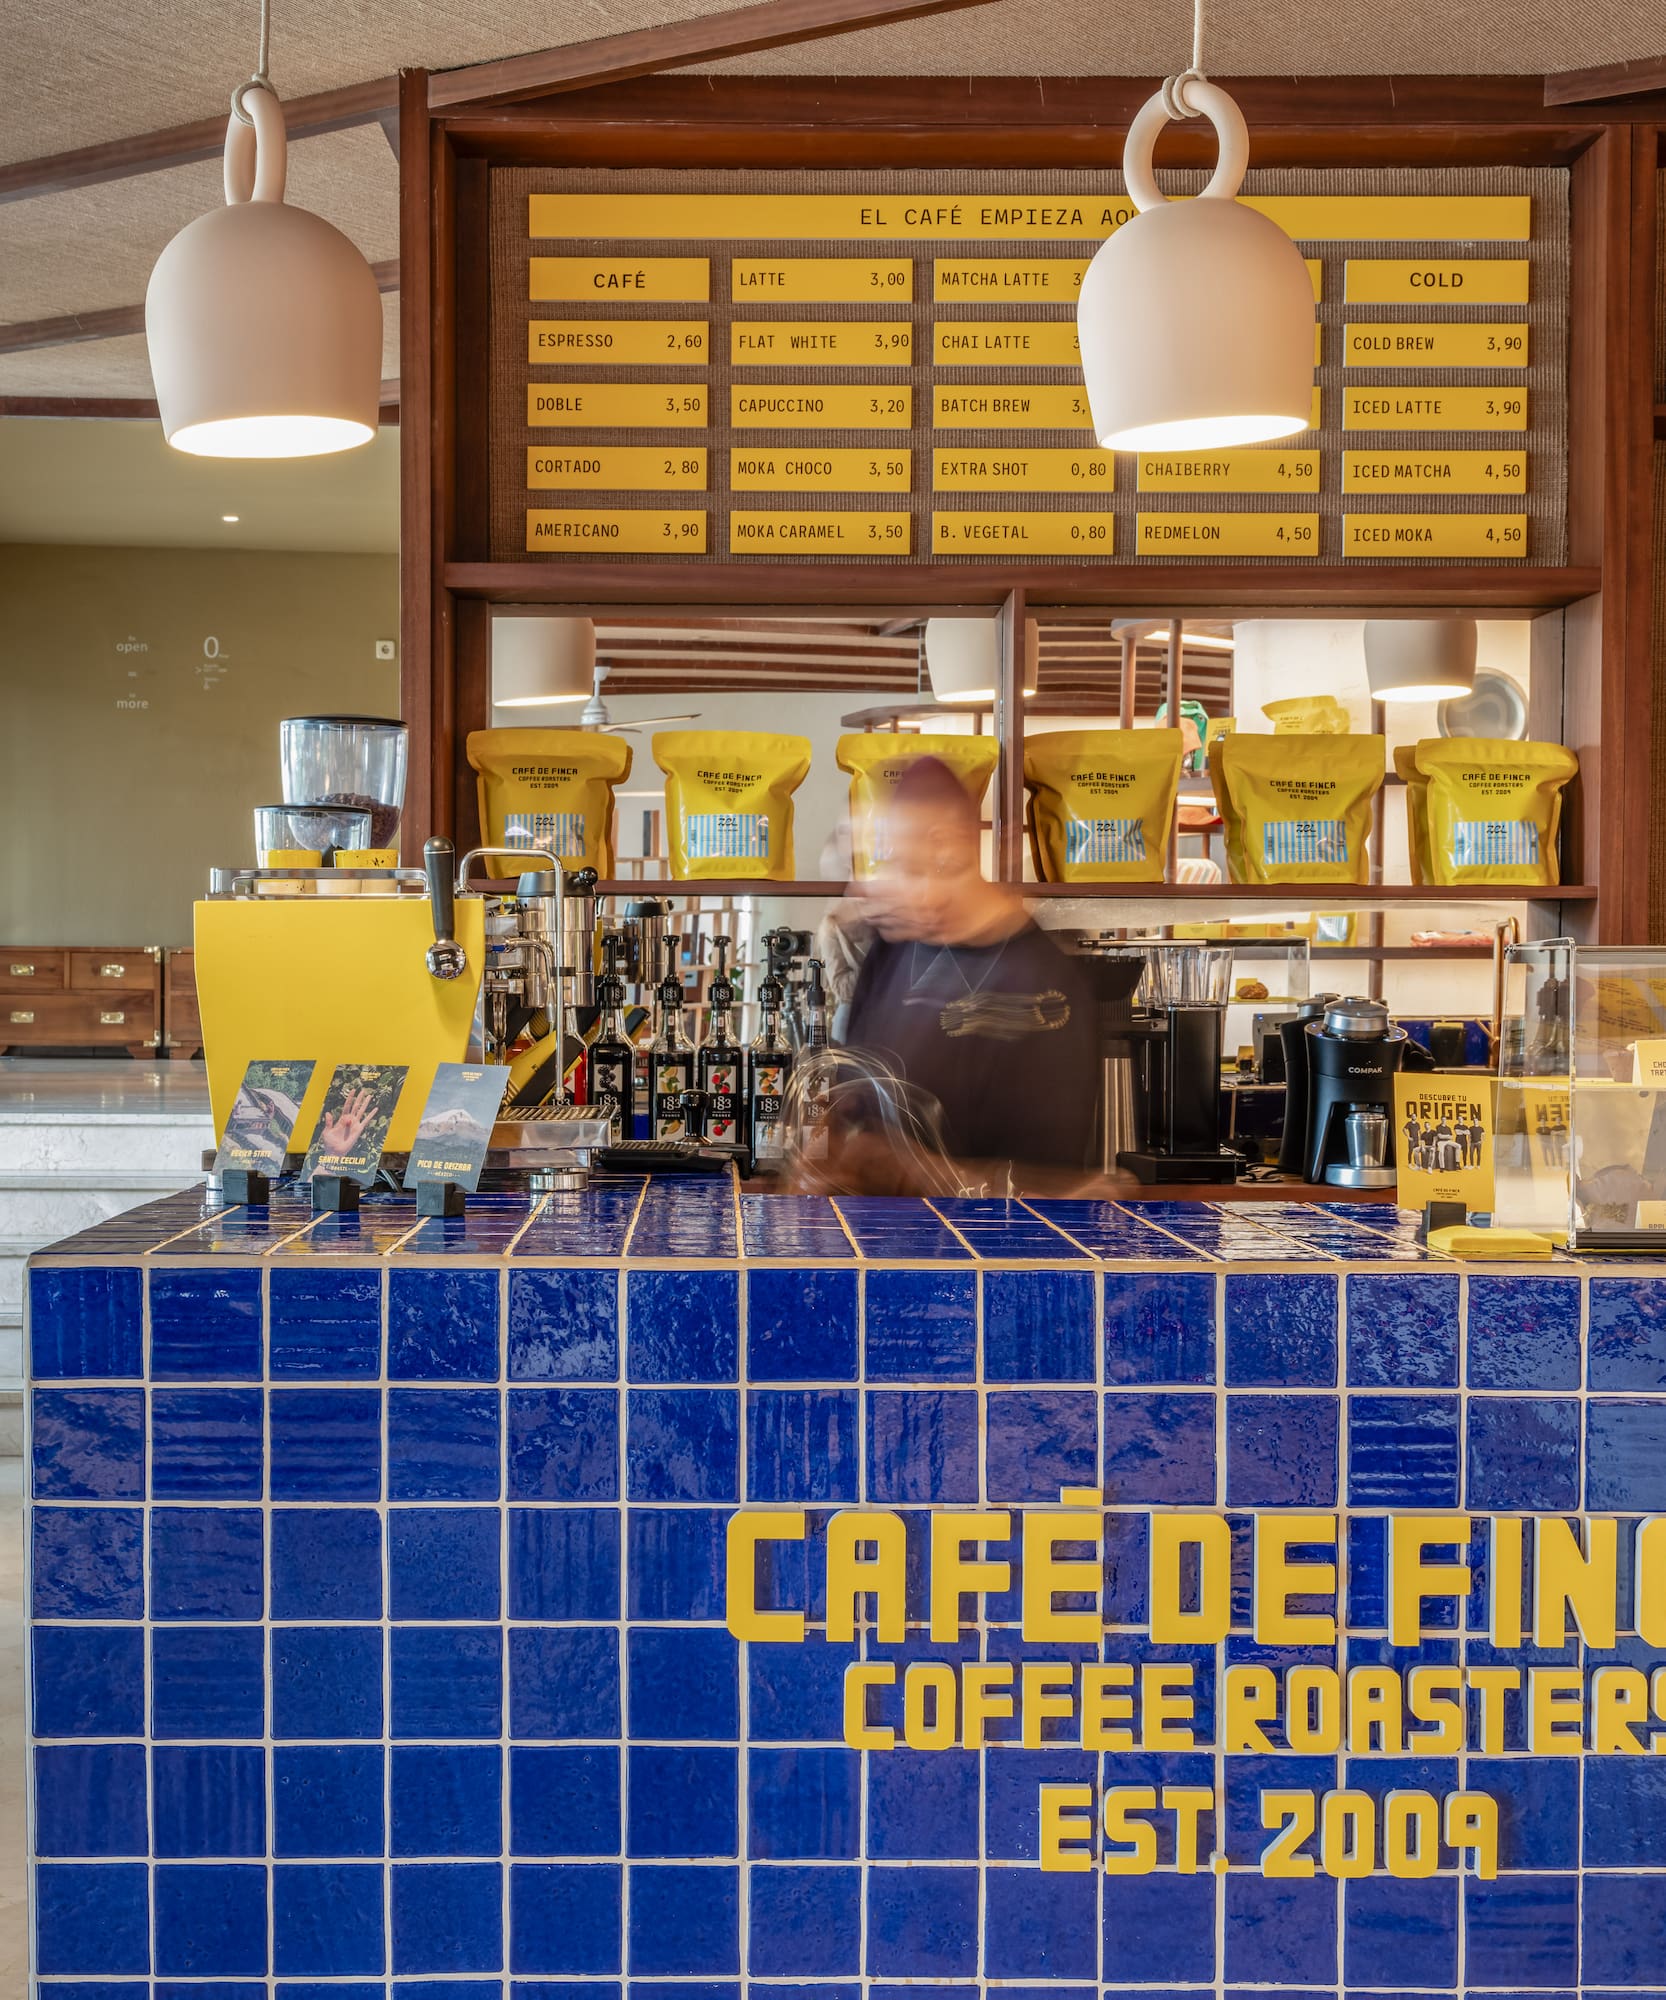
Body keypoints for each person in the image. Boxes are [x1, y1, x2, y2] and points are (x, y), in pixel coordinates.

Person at [825, 754, 1100, 1191]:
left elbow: (1051, 1194)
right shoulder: (893, 951)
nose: (866, 889)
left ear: (946, 847)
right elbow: (859, 1104)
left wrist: (902, 1169)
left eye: (895, 862)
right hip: (884, 1252)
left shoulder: (1043, 989)